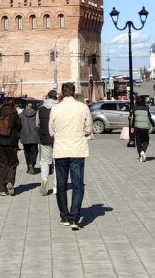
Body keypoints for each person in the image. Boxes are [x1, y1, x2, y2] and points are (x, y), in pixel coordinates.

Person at [49, 82, 92, 229]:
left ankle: (64, 216)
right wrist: (81, 133)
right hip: (77, 150)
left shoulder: (55, 109)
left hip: (61, 150)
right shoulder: (83, 107)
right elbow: (89, 128)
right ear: (73, 92)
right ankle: (75, 217)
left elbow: (51, 131)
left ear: (62, 93)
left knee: (61, 185)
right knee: (77, 184)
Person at [0, 99, 20, 196]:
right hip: (12, 143)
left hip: (0, 143)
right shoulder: (14, 114)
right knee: (12, 163)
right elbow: (19, 127)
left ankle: (1, 189)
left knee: (0, 165)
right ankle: (9, 181)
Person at [37, 89, 58, 196]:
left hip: (44, 139)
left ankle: (44, 179)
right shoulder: (60, 108)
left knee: (45, 161)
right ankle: (56, 187)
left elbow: (37, 124)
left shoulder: (41, 109)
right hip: (58, 140)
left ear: (48, 97)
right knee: (57, 162)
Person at [131, 95, 154, 162]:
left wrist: (132, 126)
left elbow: (133, 119)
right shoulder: (147, 108)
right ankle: (143, 151)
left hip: (137, 127)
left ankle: (140, 155)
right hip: (145, 127)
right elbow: (149, 117)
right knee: (146, 141)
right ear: (144, 101)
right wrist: (153, 125)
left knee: (138, 142)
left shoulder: (134, 108)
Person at [20, 101, 40, 174]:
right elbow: (39, 124)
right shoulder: (36, 114)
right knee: (34, 151)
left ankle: (29, 165)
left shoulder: (21, 115)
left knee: (27, 152)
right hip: (34, 136)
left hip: (24, 135)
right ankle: (32, 164)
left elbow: (18, 125)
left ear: (26, 106)